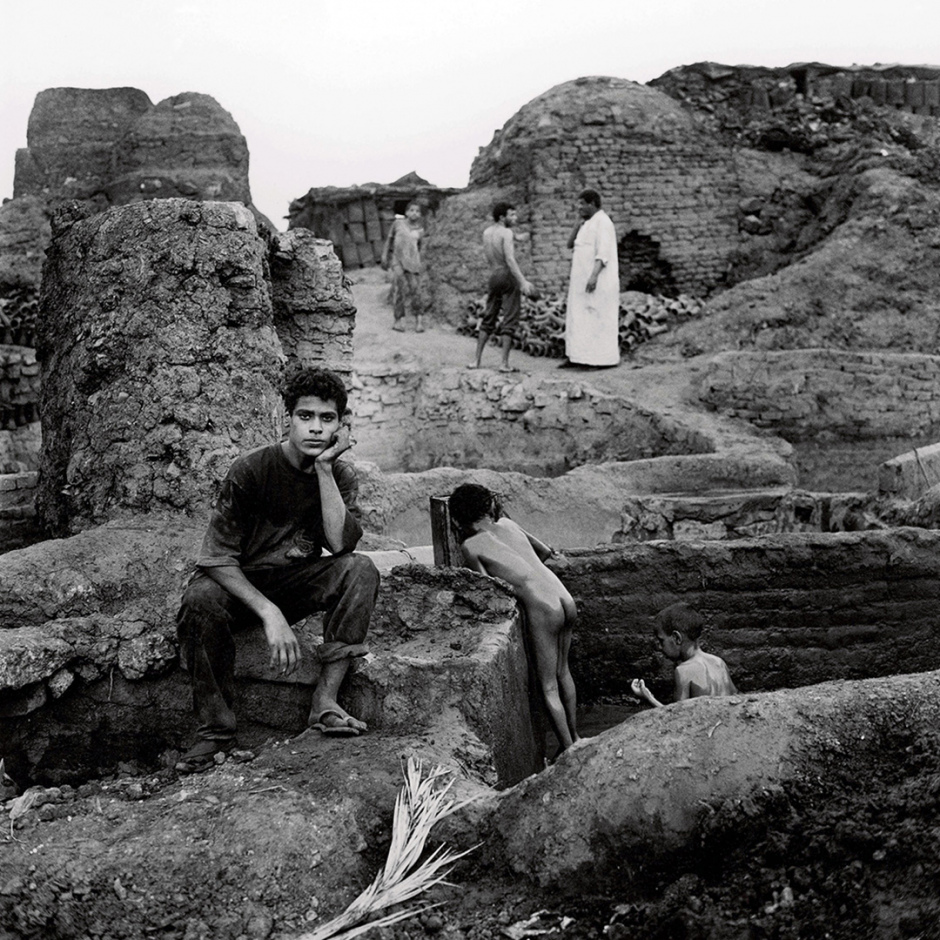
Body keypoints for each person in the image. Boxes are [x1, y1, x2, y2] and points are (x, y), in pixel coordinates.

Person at [175, 367, 380, 773]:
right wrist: (270, 613)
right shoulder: (251, 469)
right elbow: (215, 558)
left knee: (360, 570)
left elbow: (340, 546)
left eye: (327, 419)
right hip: (238, 586)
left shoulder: (338, 474)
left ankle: (325, 701)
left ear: (342, 425)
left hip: (292, 581)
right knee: (200, 599)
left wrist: (324, 471)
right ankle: (215, 732)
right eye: (305, 417)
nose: (316, 429)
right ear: (285, 418)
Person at [448, 483, 579, 753]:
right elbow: (544, 552)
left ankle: (569, 749)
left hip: (544, 607)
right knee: (563, 670)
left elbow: (488, 589)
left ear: (456, 518)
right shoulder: (509, 525)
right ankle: (576, 736)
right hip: (564, 597)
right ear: (489, 507)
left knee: (548, 684)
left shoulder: (471, 547)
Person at [469, 201, 537, 373]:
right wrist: (522, 281)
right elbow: (510, 259)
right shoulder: (506, 232)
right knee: (510, 318)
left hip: (494, 276)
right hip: (507, 275)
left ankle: (476, 360)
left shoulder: (487, 232)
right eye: (512, 215)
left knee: (488, 317)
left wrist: (522, 237)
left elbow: (509, 238)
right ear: (502, 217)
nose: (515, 217)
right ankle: (504, 364)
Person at [631, 602, 737, 707]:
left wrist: (648, 697)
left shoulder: (683, 671)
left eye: (661, 641)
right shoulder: (719, 662)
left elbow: (676, 717)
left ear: (677, 638)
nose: (659, 647)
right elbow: (736, 698)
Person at [561, 189, 620, 369]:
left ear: (592, 204)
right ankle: (576, 357)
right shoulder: (586, 223)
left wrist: (594, 276)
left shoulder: (603, 222)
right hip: (580, 282)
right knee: (579, 319)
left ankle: (598, 360)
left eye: (582, 204)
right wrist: (577, 224)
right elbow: (570, 244)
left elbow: (603, 254)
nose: (578, 207)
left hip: (597, 281)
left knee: (597, 318)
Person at [381, 201, 425, 333]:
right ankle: (398, 321)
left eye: (417, 211)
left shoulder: (420, 230)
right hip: (397, 260)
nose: (414, 213)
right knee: (399, 289)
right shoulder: (398, 224)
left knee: (415, 290)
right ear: (406, 212)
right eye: (411, 210)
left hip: (413, 262)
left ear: (420, 214)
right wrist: (384, 255)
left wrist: (417, 260)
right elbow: (389, 240)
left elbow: (420, 247)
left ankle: (419, 321)